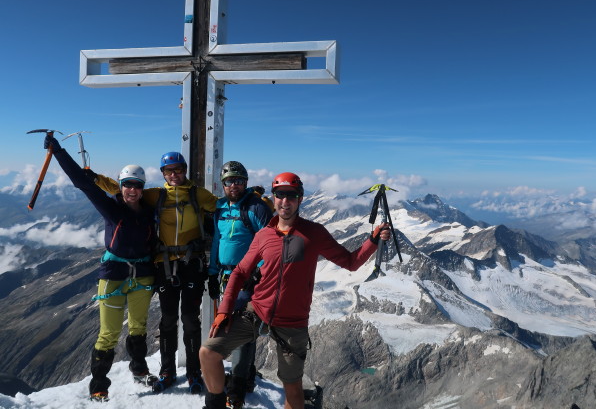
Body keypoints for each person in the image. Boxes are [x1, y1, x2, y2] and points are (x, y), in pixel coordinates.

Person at [199, 172, 390, 409]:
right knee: (208, 354)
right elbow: (239, 272)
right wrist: (224, 310)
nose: (284, 202)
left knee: (293, 390)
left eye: (291, 196)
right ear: (274, 198)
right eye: (280, 195)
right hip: (256, 311)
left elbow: (350, 262)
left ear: (300, 199)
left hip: (292, 321)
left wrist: (372, 241)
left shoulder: (314, 233)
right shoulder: (263, 235)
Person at [44, 134, 158, 402]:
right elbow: (82, 184)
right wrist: (59, 152)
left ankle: (139, 370)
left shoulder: (152, 210)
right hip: (115, 274)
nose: (132, 190)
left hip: (142, 274)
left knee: (139, 326)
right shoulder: (112, 208)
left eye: (137, 186)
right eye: (127, 185)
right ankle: (99, 384)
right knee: (109, 332)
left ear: (143, 188)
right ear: (121, 187)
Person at [93, 151, 217, 394]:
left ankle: (194, 371)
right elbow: (122, 188)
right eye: (169, 171)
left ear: (185, 171)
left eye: (178, 170)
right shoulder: (156, 195)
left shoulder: (198, 194)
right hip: (164, 264)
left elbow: (223, 206)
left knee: (191, 320)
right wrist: (94, 177)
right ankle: (167, 370)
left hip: (191, 265)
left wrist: (255, 200)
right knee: (168, 320)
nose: (174, 175)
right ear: (163, 174)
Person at [208, 161, 273, 408]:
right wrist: (213, 273)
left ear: (245, 182)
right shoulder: (220, 208)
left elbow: (269, 244)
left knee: (242, 329)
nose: (234, 185)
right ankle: (243, 376)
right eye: (229, 181)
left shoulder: (256, 208)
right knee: (236, 327)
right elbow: (217, 241)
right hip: (226, 276)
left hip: (248, 279)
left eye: (238, 181)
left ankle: (237, 388)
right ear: (223, 184)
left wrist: (259, 274)